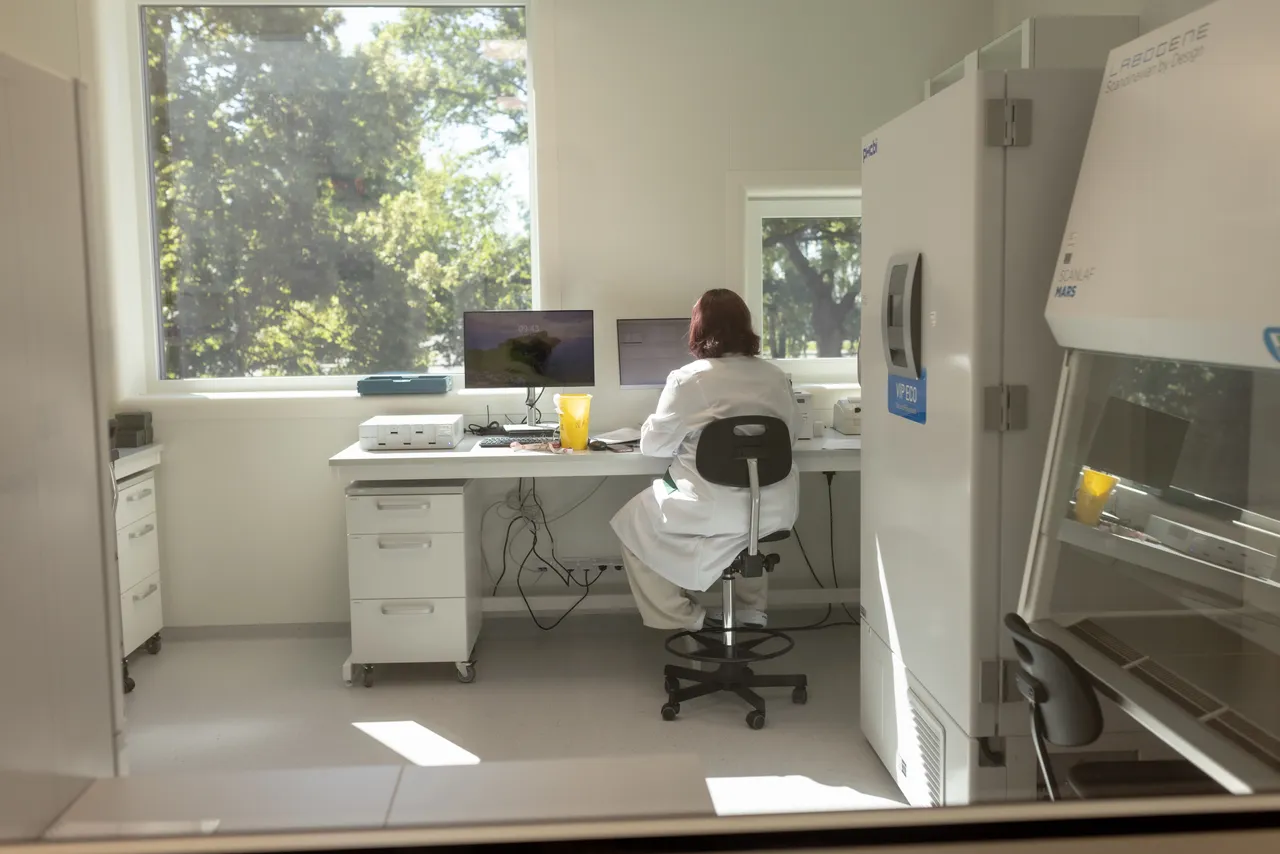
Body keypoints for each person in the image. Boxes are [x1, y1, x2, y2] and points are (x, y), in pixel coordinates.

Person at [610, 288, 801, 632]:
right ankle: (751, 613)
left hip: (712, 510)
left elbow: (653, 447)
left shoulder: (689, 378)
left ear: (698, 329)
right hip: (773, 509)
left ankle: (687, 618)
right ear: (746, 326)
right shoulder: (776, 376)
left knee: (632, 524)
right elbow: (789, 438)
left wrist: (659, 424)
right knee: (748, 531)